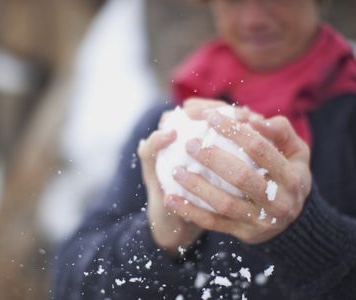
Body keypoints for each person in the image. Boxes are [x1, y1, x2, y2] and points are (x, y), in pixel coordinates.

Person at [53, 0, 356, 299]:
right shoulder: (168, 121)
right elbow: (69, 284)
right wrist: (157, 239)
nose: (253, 19)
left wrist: (302, 231)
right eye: (232, 1)